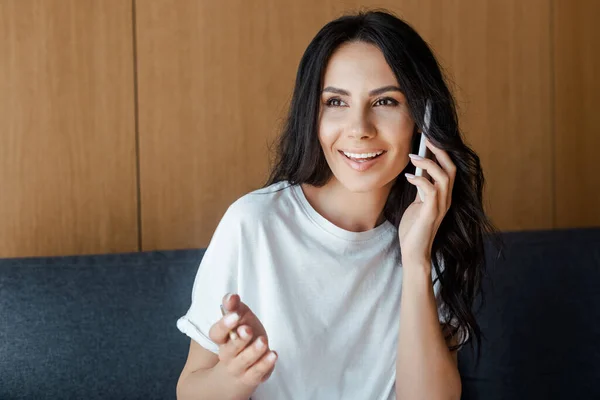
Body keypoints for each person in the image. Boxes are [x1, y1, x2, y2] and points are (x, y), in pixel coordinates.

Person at [175, 9, 500, 400]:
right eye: (335, 102)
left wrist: (417, 260)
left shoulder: (432, 234)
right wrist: (240, 374)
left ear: (422, 120)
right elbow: (190, 389)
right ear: (312, 115)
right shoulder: (254, 223)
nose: (359, 128)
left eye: (385, 102)